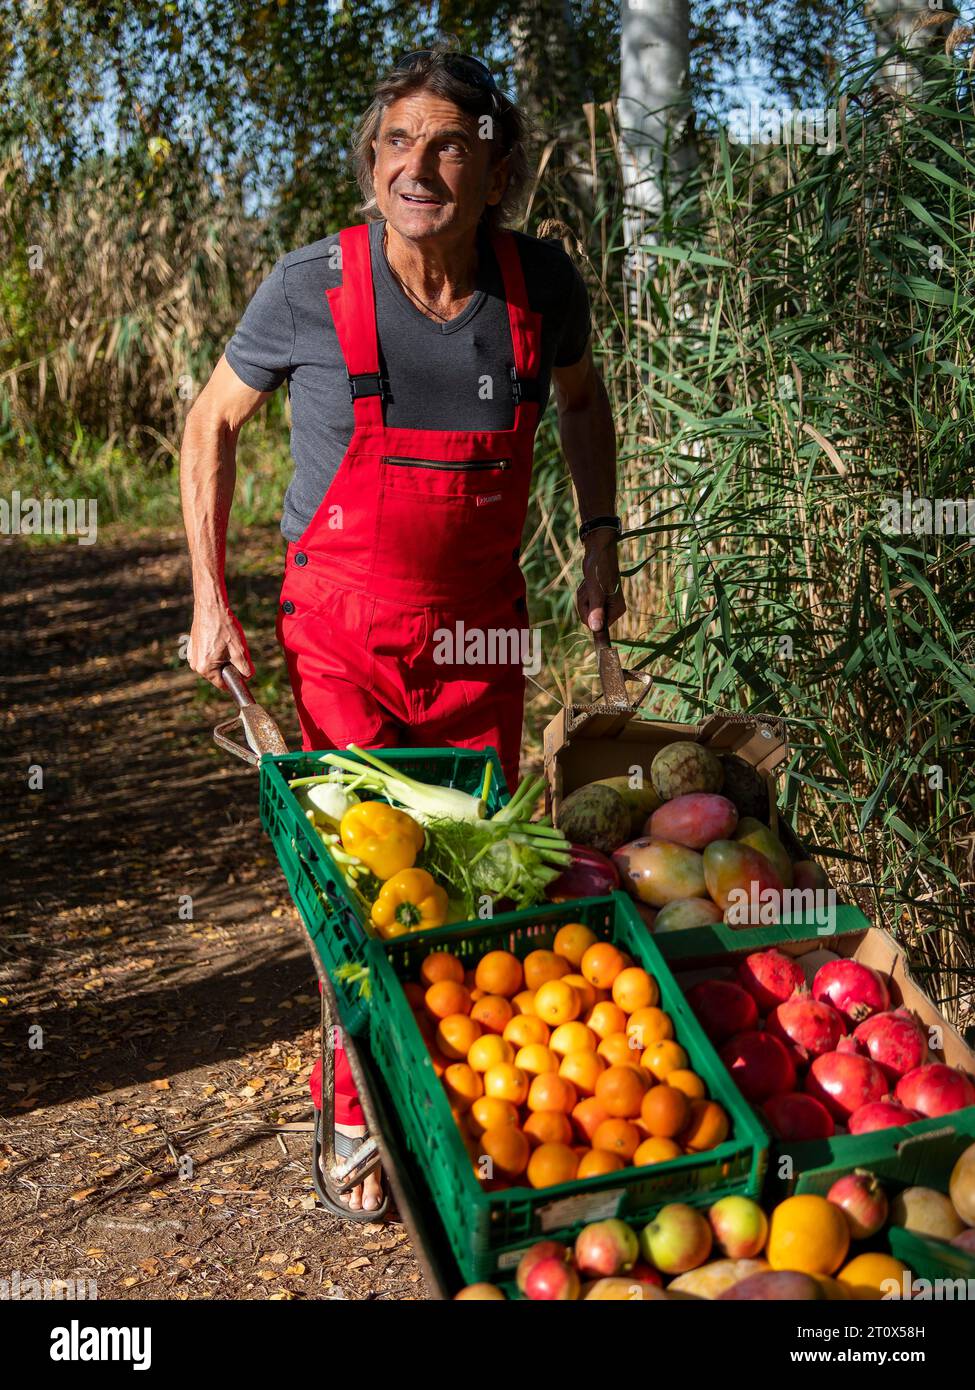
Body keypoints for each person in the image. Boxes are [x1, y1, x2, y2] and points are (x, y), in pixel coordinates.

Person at [180, 47, 624, 1219]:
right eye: (395, 143)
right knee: (357, 884)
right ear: (372, 162)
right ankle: (354, 1115)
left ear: (498, 171)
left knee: (476, 882)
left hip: (484, 647)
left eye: (448, 145)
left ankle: (454, 1106)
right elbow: (209, 425)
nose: (415, 168)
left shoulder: (540, 288)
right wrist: (208, 598)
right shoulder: (309, 288)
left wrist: (602, 545)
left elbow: (582, 405)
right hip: (339, 642)